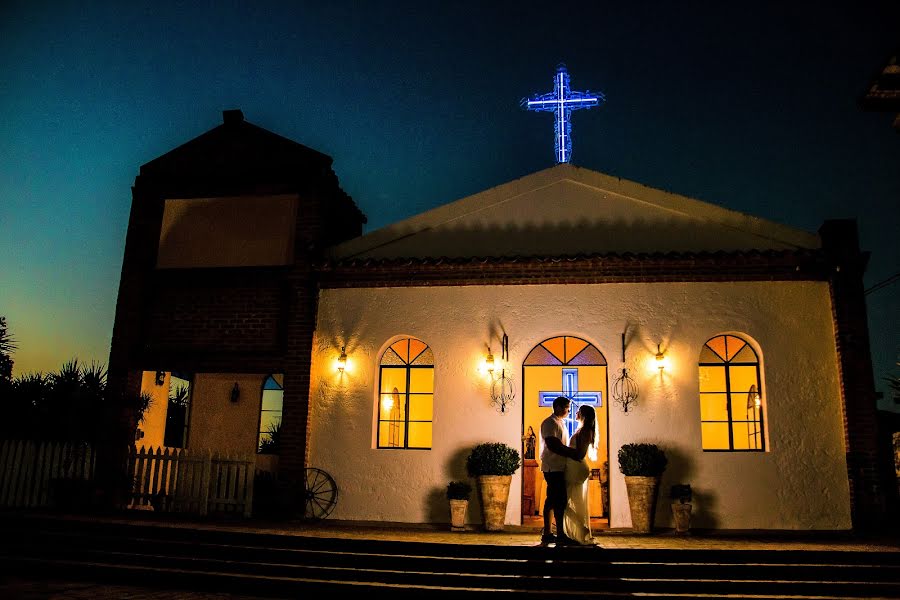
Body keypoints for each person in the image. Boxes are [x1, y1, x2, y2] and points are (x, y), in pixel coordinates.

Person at [539, 396, 580, 546]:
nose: (569, 411)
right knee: (557, 500)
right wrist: (573, 454)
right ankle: (556, 533)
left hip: (559, 467)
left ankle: (550, 533)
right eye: (566, 408)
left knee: (554, 499)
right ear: (557, 407)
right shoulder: (549, 423)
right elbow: (553, 445)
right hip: (552, 467)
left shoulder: (559, 422)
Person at [563, 405, 599, 545]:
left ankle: (582, 529)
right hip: (574, 467)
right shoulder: (582, 429)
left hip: (576, 468)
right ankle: (580, 529)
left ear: (583, 414)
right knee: (569, 501)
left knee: (565, 501)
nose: (575, 412)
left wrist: (562, 449)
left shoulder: (585, 431)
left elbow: (580, 454)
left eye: (578, 411)